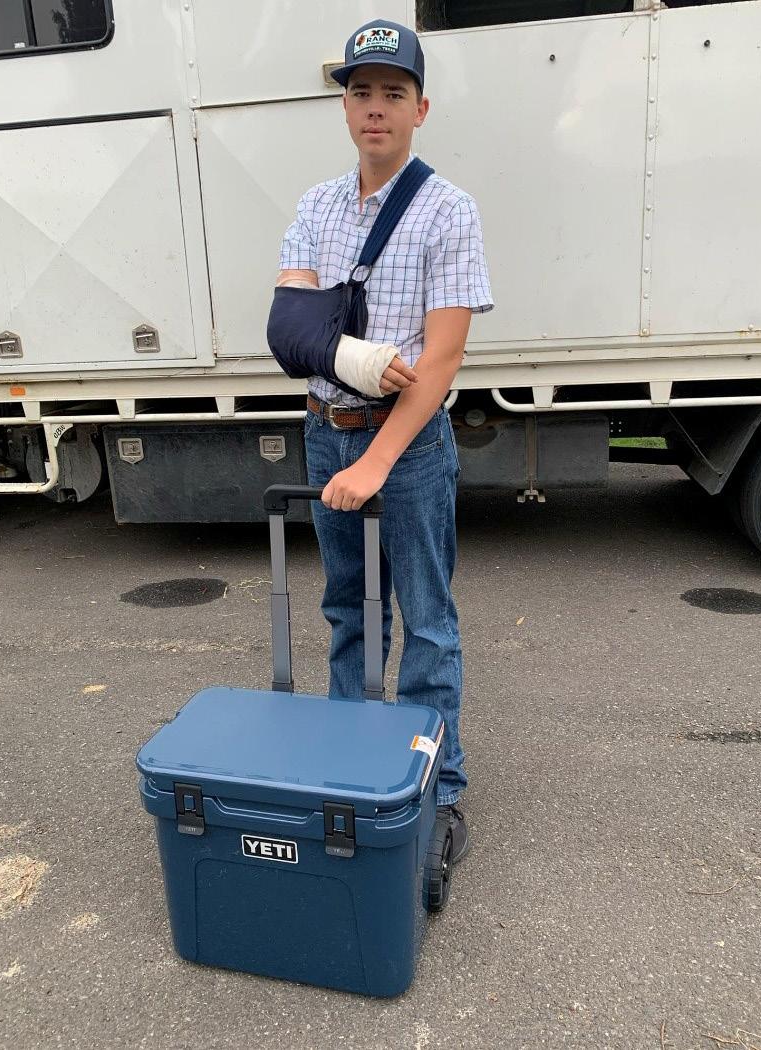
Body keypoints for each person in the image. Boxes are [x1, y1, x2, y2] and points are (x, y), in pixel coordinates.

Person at [276, 18, 493, 862]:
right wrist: (359, 362)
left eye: (393, 94)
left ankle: (436, 794)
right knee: (347, 610)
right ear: (344, 107)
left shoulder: (449, 210)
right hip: (324, 431)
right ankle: (351, 777)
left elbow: (439, 363)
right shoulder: (315, 207)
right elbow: (292, 331)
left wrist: (376, 459)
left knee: (427, 622)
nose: (375, 108)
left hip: (405, 449)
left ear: (420, 109)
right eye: (361, 92)